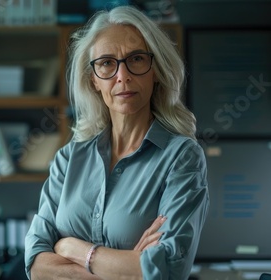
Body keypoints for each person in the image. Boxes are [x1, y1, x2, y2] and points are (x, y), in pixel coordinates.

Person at [24, 5, 209, 280]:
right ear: (94, 81)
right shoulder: (68, 159)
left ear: (155, 70)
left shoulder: (181, 158)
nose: (122, 76)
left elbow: (167, 269)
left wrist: (70, 247)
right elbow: (36, 265)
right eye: (107, 63)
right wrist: (129, 266)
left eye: (136, 59)